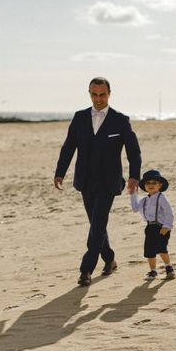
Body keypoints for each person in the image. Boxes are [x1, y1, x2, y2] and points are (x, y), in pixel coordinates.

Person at [54, 77, 141, 286]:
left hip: (108, 182)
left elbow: (133, 150)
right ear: (89, 93)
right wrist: (60, 172)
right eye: (94, 94)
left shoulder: (120, 120)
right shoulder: (80, 117)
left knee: (98, 224)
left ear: (109, 94)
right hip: (85, 180)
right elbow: (69, 147)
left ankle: (86, 270)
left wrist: (134, 176)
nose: (99, 98)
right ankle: (110, 259)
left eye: (102, 94)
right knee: (97, 225)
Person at [130, 169, 176, 281]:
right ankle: (153, 271)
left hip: (162, 227)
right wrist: (133, 193)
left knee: (162, 248)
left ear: (160, 185)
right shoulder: (144, 200)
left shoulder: (161, 197)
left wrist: (167, 226)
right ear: (144, 186)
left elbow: (169, 212)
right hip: (150, 227)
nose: (151, 185)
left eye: (154, 183)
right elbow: (135, 208)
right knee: (149, 250)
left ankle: (169, 267)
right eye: (148, 183)